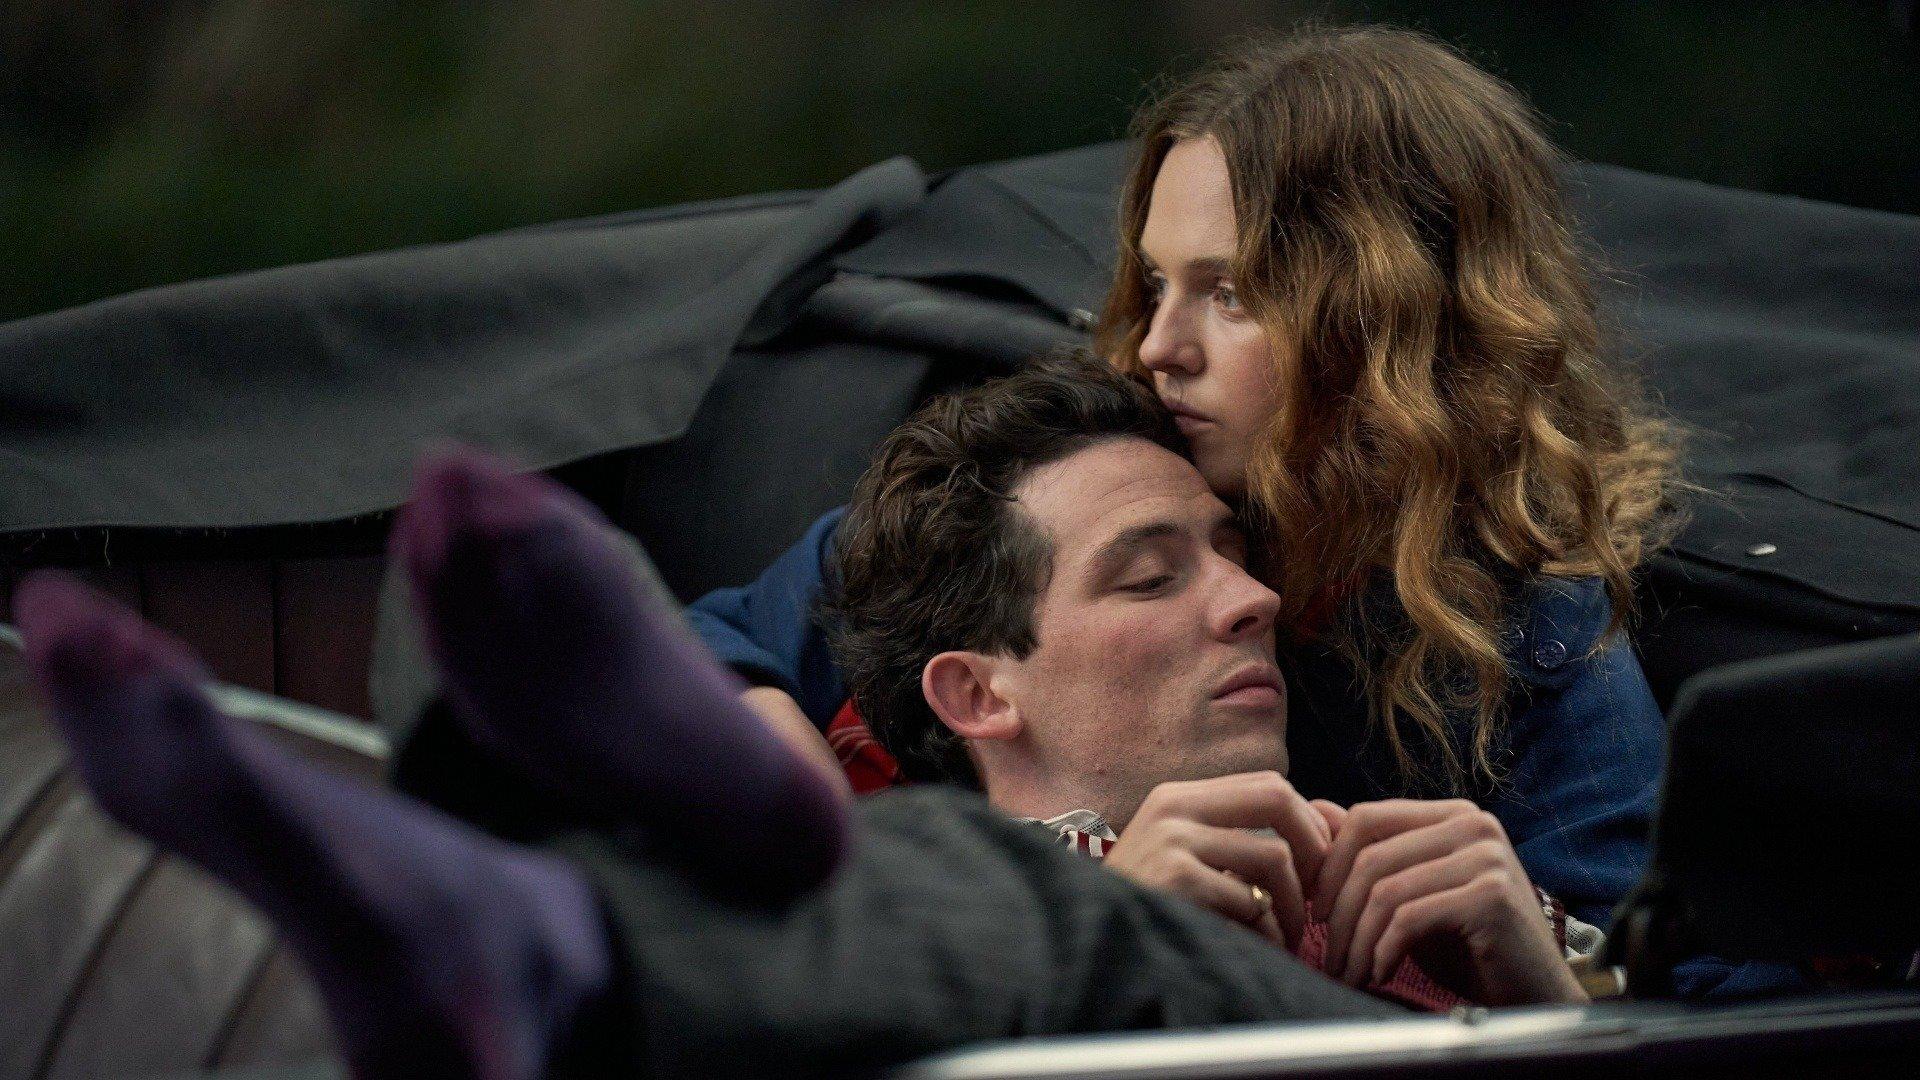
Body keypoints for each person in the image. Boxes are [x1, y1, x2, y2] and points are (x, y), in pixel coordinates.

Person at [12, 360, 1593, 1080]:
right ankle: (553, 858)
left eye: (1237, 558)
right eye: (1151, 573)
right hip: (894, 934)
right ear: (976, 690)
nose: (1248, 601)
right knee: (980, 895)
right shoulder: (954, 853)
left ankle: (534, 895)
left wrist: (1569, 1005)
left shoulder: (1434, 883)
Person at [689, 25, 1678, 950]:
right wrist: (811, 828)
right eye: (1158, 284)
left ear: (1392, 321)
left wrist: (1537, 958)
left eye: (1231, 293)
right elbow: (698, 654)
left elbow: (1665, 976)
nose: (1161, 345)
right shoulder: (1106, 483)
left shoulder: (1531, 623)